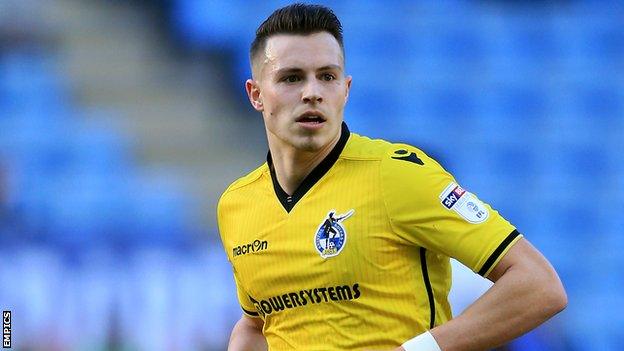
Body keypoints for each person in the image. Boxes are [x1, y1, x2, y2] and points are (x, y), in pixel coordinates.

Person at [217, 3, 567, 350]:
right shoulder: (237, 205)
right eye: (292, 78)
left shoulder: (397, 174)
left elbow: (538, 285)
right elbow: (256, 325)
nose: (312, 92)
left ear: (346, 89)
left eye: (327, 76)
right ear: (256, 95)